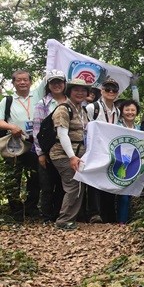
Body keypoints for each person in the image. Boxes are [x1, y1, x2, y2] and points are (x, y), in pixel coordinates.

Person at [0, 69, 42, 219]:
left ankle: (32, 209)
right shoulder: (7, 100)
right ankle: (16, 212)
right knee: (14, 178)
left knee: (35, 177)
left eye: (25, 79)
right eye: (19, 80)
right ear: (13, 83)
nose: (23, 82)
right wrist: (11, 127)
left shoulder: (37, 95)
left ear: (31, 82)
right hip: (15, 145)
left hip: (33, 145)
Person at [51, 78, 90, 230]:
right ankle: (64, 221)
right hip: (62, 155)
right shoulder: (63, 109)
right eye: (76, 89)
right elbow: (62, 134)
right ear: (70, 91)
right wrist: (72, 156)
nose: (80, 92)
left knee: (78, 185)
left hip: (78, 155)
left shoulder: (82, 110)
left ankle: (70, 219)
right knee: (74, 185)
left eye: (83, 90)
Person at [32, 70, 67, 222]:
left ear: (65, 84)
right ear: (49, 85)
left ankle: (59, 214)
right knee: (47, 185)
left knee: (62, 184)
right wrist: (40, 153)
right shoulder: (43, 104)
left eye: (59, 81)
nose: (57, 85)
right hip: (47, 150)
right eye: (53, 82)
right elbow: (36, 129)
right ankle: (46, 216)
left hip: (67, 150)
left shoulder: (71, 102)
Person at [85, 77, 121, 223]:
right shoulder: (92, 108)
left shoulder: (117, 111)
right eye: (107, 89)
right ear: (102, 90)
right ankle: (94, 213)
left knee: (109, 179)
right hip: (94, 150)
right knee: (93, 181)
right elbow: (84, 128)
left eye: (114, 90)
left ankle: (108, 214)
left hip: (109, 151)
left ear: (117, 93)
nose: (110, 92)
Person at [116, 99, 141, 224]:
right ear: (121, 112)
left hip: (133, 164)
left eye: (133, 110)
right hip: (118, 163)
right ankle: (119, 221)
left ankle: (124, 221)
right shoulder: (116, 126)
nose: (130, 112)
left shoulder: (140, 128)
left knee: (128, 194)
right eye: (127, 110)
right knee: (122, 195)